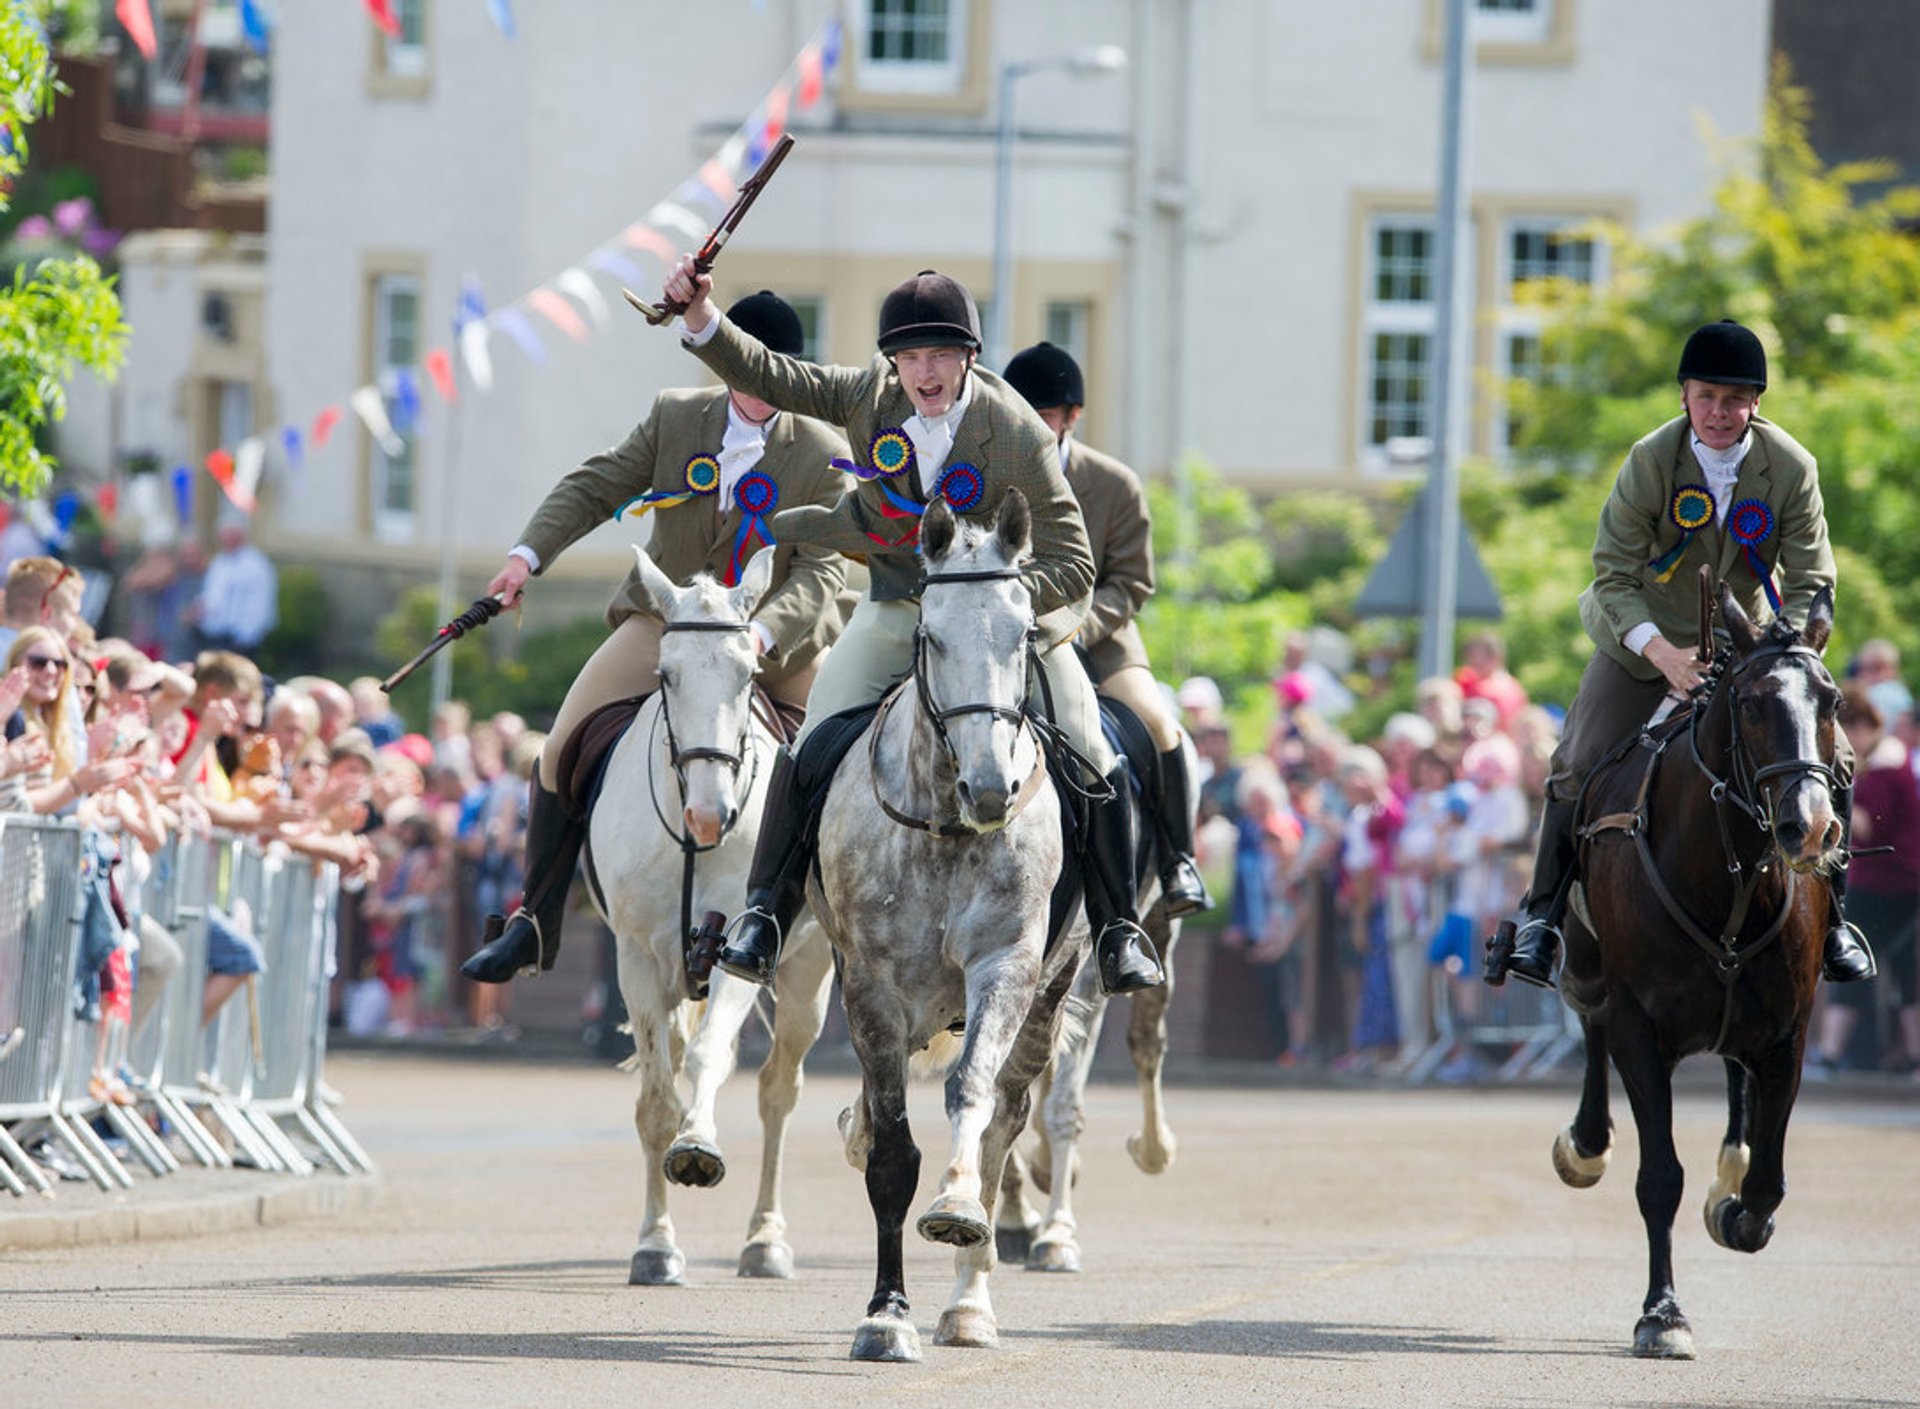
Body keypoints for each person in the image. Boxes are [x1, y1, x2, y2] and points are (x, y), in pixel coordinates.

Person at [663, 258, 1162, 994]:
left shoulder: (1015, 430)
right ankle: (765, 912)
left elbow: (1076, 561)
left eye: (941, 357)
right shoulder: (871, 395)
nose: (925, 374)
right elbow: (776, 376)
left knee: (1092, 745)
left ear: (968, 360)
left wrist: (993, 601)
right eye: (911, 357)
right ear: (893, 362)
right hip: (898, 604)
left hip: (993, 623)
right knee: (811, 740)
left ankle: (1120, 927)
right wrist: (701, 316)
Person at [462, 291, 852, 984]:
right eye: (749, 370)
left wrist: (759, 635)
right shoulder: (677, 416)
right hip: (670, 621)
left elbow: (821, 572)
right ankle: (534, 920)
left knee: (842, 756)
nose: (762, 388)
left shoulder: (821, 448)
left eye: (777, 372)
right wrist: (526, 557)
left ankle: (826, 921)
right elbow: (596, 485)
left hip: (774, 639)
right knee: (558, 748)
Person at [1487, 319, 1874, 988]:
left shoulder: (1790, 466)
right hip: (1643, 640)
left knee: (1832, 756)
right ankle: (1541, 918)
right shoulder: (1649, 459)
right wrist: (1663, 653)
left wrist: (1797, 646)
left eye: (1734, 399)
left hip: (1753, 641)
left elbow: (1814, 576)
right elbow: (1613, 571)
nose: (1719, 413)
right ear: (1685, 397)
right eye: (1706, 398)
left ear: (1755, 402)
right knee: (1577, 757)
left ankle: (1835, 920)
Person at [1002, 340, 1210, 916]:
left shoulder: (1115, 485)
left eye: (1043, 417)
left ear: (1071, 417)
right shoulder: (989, 476)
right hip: (1007, 639)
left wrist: (1078, 627)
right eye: (1021, 414)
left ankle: (1177, 859)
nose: (1032, 428)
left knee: (1158, 724)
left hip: (1099, 639)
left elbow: (1132, 581)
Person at [190, 516, 278, 654]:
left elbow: (260, 604)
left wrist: (247, 636)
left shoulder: (256, 564)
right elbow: (213, 596)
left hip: (240, 639)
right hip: (214, 636)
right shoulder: (220, 561)